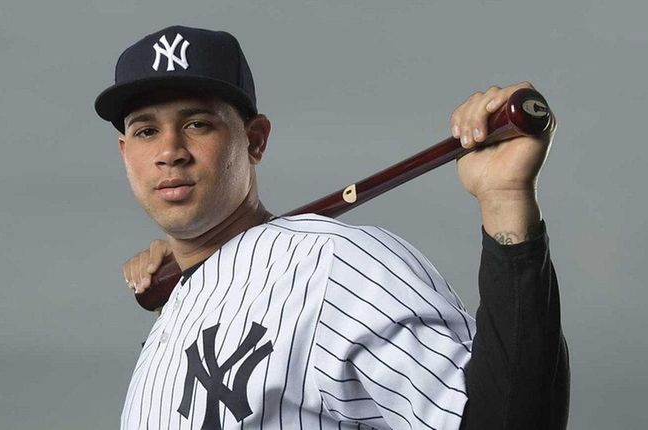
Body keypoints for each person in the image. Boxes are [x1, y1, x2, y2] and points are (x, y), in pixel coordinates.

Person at [95, 25, 569, 430]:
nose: (169, 150)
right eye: (145, 130)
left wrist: (505, 201)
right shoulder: (175, 306)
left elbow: (507, 420)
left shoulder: (333, 266)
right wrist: (185, 280)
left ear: (255, 140)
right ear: (124, 151)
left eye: (197, 124)